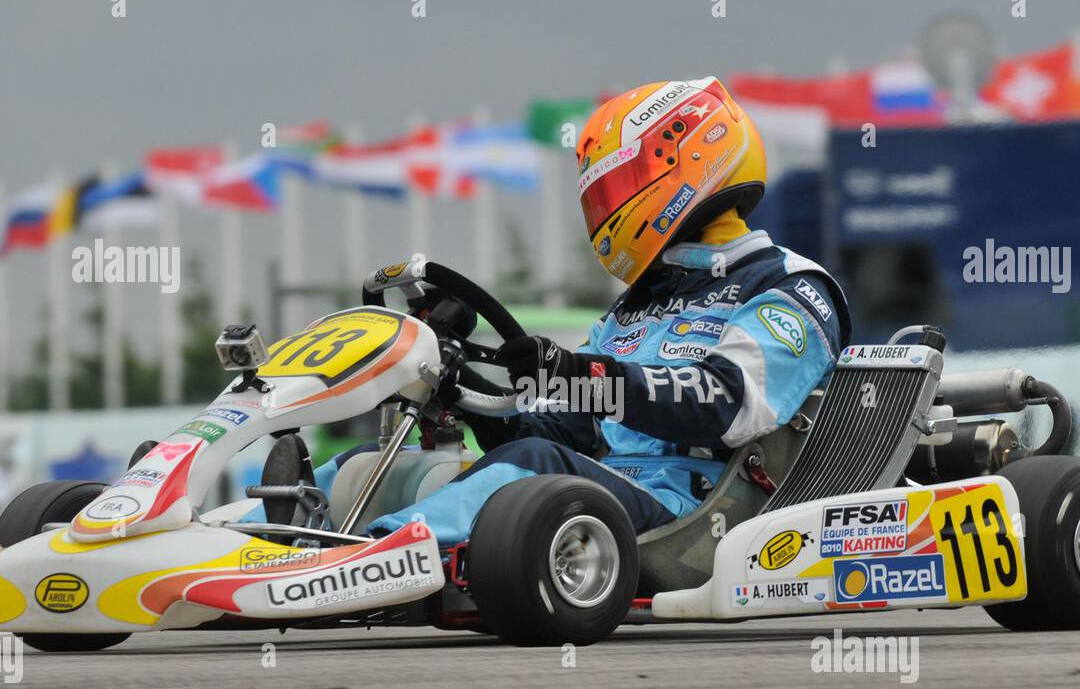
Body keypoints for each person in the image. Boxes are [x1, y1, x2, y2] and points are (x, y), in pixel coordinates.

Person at [354, 76, 850, 545]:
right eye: (603, 194)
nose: (611, 206)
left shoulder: (790, 286)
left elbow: (726, 404)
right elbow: (559, 428)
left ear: (697, 156)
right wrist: (458, 385)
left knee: (533, 465)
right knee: (387, 465)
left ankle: (374, 554)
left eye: (628, 181)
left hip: (695, 514)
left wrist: (579, 372)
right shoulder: (641, 303)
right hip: (605, 491)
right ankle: (294, 532)